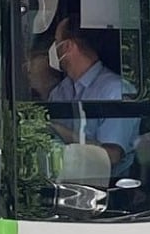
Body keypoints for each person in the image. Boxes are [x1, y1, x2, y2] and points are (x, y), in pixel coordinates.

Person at [47, 17, 139, 178]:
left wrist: (58, 128)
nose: (53, 49)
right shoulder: (60, 91)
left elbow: (111, 156)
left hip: (110, 190)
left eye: (56, 41)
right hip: (62, 183)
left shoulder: (115, 90)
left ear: (68, 46)